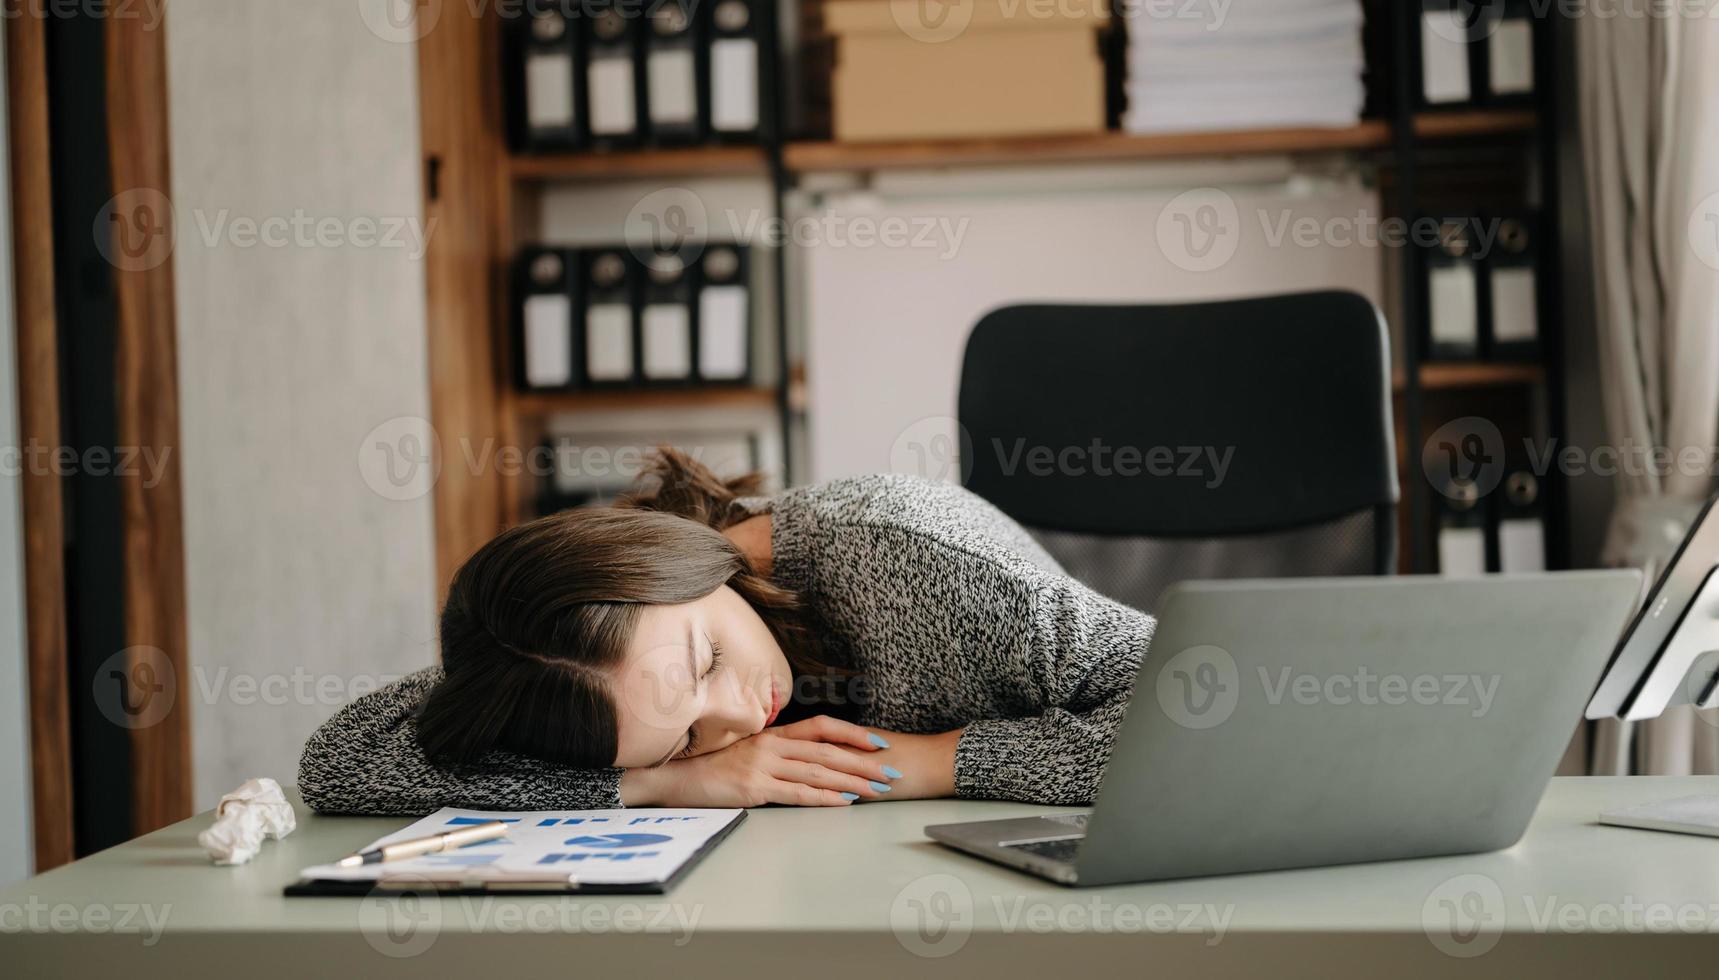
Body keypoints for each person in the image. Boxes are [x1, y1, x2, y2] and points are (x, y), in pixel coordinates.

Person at [298, 449, 1156, 814]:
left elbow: (1209, 700)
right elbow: (345, 762)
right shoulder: (566, 669)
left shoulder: (914, 555)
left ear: (677, 561)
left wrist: (933, 761)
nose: (741, 718)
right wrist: (666, 787)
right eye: (683, 739)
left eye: (707, 660)